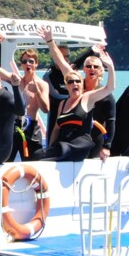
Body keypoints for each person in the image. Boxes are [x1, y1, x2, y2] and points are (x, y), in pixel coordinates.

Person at [38, 27, 116, 160]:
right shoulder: (76, 82)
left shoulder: (105, 95)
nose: (92, 69)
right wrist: (50, 41)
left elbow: (111, 122)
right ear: (83, 69)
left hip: (93, 138)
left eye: (96, 66)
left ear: (101, 71)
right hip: (71, 137)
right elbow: (61, 62)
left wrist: (107, 146)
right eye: (88, 66)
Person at [0, 49, 49, 160]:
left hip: (31, 127)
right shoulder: (17, 80)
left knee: (34, 162)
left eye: (31, 61)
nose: (28, 64)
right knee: (5, 160)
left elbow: (45, 109)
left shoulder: (42, 84)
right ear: (22, 65)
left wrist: (37, 92)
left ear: (36, 64)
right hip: (14, 126)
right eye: (25, 62)